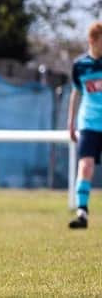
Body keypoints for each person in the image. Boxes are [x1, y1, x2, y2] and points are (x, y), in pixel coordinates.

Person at [67, 20, 102, 229]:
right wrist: (70, 123)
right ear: (93, 41)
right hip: (88, 123)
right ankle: (82, 213)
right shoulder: (80, 66)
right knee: (85, 165)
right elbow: (76, 92)